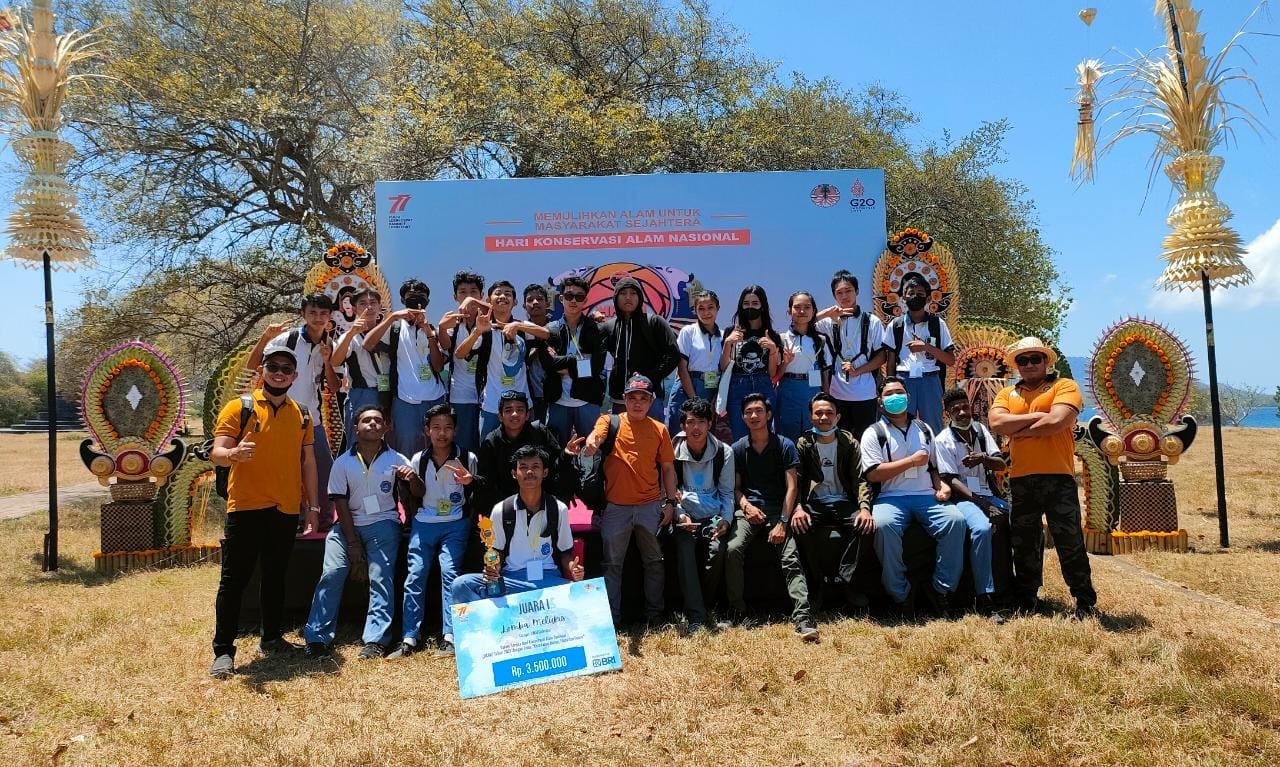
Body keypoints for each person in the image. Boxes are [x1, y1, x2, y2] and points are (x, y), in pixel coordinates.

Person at [208, 346, 319, 679]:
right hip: (245, 506)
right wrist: (234, 454)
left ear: (295, 376)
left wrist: (312, 506)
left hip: (285, 508)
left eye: (287, 368)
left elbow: (308, 462)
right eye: (274, 366)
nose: (280, 373)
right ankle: (224, 651)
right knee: (234, 580)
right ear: (263, 370)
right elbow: (217, 451)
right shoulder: (239, 407)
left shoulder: (302, 413)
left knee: (275, 576)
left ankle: (271, 638)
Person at [989, 337, 1098, 618]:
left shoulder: (1065, 386)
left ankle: (1084, 601)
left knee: (1069, 541)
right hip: (1020, 479)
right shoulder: (1006, 393)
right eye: (1022, 360)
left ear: (1046, 361)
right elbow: (997, 423)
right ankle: (1027, 600)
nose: (1029, 365)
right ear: (1016, 366)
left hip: (1058, 478)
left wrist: (1019, 428)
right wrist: (1041, 419)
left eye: (1035, 358)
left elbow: (1058, 422)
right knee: (1024, 542)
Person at [301, 405, 409, 660]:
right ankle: (317, 637)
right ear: (355, 427)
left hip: (384, 524)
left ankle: (375, 640)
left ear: (387, 427)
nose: (372, 424)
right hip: (346, 526)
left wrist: (412, 478)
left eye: (378, 421)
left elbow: (415, 492)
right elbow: (340, 503)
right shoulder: (343, 462)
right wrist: (352, 545)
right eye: (366, 420)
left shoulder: (397, 459)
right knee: (333, 572)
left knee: (381, 577)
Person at [575, 374, 678, 626]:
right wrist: (591, 445)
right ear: (624, 399)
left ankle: (654, 615)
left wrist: (670, 503)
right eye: (633, 398)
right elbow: (595, 437)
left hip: (650, 506)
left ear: (652, 401)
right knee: (612, 566)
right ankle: (613, 620)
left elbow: (667, 469)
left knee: (654, 562)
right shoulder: (609, 421)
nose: (638, 403)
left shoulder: (660, 429)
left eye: (644, 398)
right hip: (615, 508)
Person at [860, 378, 966, 617]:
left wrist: (943, 487)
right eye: (889, 394)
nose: (895, 397)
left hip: (926, 495)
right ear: (880, 401)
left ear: (908, 397)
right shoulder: (874, 433)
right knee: (884, 526)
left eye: (899, 392)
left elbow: (933, 467)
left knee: (956, 522)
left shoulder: (924, 428)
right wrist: (910, 461)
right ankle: (900, 594)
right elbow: (873, 473)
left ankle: (941, 590)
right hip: (891, 497)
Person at [387, 403, 480, 659]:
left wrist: (468, 484)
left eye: (448, 428)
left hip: (455, 524)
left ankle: (450, 635)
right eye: (436, 428)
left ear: (456, 430)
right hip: (424, 524)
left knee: (450, 573)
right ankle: (409, 636)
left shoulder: (468, 458)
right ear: (426, 430)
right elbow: (417, 494)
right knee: (415, 574)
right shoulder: (419, 459)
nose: (442, 434)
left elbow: (474, 495)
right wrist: (411, 479)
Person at [722, 393, 817, 641]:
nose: (754, 416)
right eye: (749, 411)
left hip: (778, 510)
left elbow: (792, 487)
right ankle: (737, 610)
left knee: (790, 557)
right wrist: (745, 506)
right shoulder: (738, 448)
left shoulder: (784, 445)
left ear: (769, 414)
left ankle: (803, 617)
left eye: (759, 411)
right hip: (749, 511)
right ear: (742, 416)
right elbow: (735, 488)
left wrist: (783, 523)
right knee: (732, 550)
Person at [246, 293, 339, 523]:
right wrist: (265, 337)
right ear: (303, 314)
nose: (318, 318)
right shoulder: (287, 340)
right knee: (286, 469)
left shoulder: (330, 344)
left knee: (323, 468)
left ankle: (324, 518)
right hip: (280, 415)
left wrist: (327, 360)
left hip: (312, 418)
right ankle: (292, 518)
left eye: (323, 313)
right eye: (312, 313)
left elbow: (334, 386)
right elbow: (252, 365)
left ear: (330, 316)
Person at [452, 445, 585, 604]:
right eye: (523, 467)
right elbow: (497, 551)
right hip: (513, 580)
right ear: (514, 474)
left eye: (535, 466)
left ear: (545, 472)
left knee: (586, 592)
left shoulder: (558, 508)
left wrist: (573, 568)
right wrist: (493, 569)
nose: (529, 472)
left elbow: (566, 553)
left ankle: (512, 609)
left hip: (547, 579)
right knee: (461, 585)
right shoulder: (502, 509)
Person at [793, 393, 875, 614]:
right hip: (815, 502)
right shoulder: (804, 443)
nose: (824, 417)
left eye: (829, 413)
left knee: (866, 527)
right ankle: (818, 583)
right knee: (799, 527)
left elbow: (860, 479)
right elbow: (797, 481)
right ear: (811, 417)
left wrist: (865, 508)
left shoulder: (849, 442)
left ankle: (844, 580)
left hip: (844, 502)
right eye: (818, 413)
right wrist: (798, 507)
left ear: (838, 417)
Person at [934, 387, 1007, 617]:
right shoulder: (942, 440)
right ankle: (985, 597)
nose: (962, 412)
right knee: (982, 528)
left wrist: (983, 458)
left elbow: (1000, 464)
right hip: (963, 498)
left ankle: (1013, 590)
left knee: (1011, 520)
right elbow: (950, 479)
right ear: (948, 414)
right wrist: (985, 506)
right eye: (956, 410)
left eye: (965, 407)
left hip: (987, 493)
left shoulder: (981, 430)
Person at [670, 397, 735, 633]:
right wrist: (680, 515)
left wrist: (726, 520)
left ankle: (706, 605)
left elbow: (727, 493)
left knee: (717, 552)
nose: (695, 428)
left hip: (713, 516)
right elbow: (671, 492)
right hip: (685, 517)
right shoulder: (672, 452)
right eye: (690, 422)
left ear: (710, 424)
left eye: (701, 422)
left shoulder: (724, 453)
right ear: (683, 425)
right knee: (685, 551)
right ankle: (696, 616)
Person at [454, 280, 551, 438]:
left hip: (523, 405)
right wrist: (477, 332)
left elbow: (546, 333)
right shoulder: (484, 329)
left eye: (508, 294)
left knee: (526, 453)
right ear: (488, 301)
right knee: (489, 453)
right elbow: (460, 354)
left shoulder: (522, 326)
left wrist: (517, 326)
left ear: (515, 302)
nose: (503, 297)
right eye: (497, 293)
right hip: (492, 405)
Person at [362, 279, 447, 457]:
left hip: (435, 397)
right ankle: (405, 485)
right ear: (402, 300)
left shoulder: (433, 329)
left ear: (428, 302)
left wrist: (429, 335)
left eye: (421, 297)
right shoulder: (394, 328)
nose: (416, 301)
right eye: (410, 297)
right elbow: (368, 344)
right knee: (405, 448)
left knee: (438, 448)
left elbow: (439, 366)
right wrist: (392, 317)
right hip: (405, 400)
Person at [816, 270, 886, 437]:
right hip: (837, 394)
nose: (844, 296)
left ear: (857, 291)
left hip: (865, 393)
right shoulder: (828, 322)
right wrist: (827, 313)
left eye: (848, 290)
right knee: (841, 441)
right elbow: (801, 323)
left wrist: (858, 370)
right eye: (839, 292)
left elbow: (882, 356)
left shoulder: (871, 321)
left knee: (866, 440)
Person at [881, 274, 955, 433]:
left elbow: (950, 360)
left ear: (928, 299)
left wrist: (926, 347)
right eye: (911, 293)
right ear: (903, 298)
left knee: (934, 426)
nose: (915, 297)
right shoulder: (896, 325)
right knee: (900, 425)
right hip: (904, 380)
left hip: (930, 380)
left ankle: (934, 457)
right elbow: (891, 359)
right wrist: (890, 384)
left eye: (920, 294)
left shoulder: (937, 324)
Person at [474, 390, 565, 517]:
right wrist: (471, 480)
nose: (515, 414)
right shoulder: (491, 441)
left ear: (527, 415)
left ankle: (555, 518)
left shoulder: (539, 432)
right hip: (505, 499)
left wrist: (566, 454)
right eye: (508, 410)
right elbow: (486, 479)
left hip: (539, 492)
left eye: (520, 410)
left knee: (567, 471)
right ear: (500, 416)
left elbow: (556, 465)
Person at [540, 275, 606, 445]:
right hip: (558, 401)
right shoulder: (551, 329)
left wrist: (564, 366)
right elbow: (548, 364)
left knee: (592, 452)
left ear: (585, 300)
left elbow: (596, 367)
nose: (573, 301)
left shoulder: (596, 329)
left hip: (587, 400)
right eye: (569, 296)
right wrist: (579, 363)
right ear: (561, 298)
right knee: (557, 452)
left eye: (579, 297)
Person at [600, 276, 678, 419]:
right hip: (620, 400)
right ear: (616, 298)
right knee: (624, 440)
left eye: (633, 293)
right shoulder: (608, 327)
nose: (628, 297)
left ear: (640, 297)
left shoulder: (654, 322)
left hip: (649, 397)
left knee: (653, 440)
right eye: (623, 293)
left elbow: (673, 355)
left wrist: (648, 378)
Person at [720, 285, 783, 441]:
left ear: (762, 306)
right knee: (740, 436)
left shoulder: (772, 335)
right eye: (746, 303)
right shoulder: (731, 331)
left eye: (755, 303)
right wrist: (728, 343)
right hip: (737, 385)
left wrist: (773, 350)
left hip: (763, 384)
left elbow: (772, 373)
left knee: (764, 436)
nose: (750, 307)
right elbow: (723, 367)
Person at [435, 270, 487, 455]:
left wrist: (473, 302)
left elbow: (494, 309)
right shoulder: (452, 323)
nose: (468, 297)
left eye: (474, 292)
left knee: (487, 448)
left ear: (482, 295)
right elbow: (446, 348)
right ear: (455, 296)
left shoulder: (490, 320)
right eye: (463, 292)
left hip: (490, 397)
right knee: (465, 449)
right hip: (461, 397)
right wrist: (441, 328)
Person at [330, 287, 389, 447]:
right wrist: (350, 334)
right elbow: (335, 361)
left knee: (389, 442)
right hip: (363, 394)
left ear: (380, 306)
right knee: (360, 443)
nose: (369, 308)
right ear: (354, 308)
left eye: (373, 303)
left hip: (389, 394)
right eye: (363, 303)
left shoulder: (390, 331)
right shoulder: (349, 336)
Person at [776, 290, 833, 441]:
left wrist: (826, 398)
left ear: (814, 311)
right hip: (787, 391)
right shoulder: (781, 339)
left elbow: (825, 373)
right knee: (787, 438)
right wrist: (785, 362)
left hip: (813, 392)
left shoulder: (821, 340)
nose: (802, 311)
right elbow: (775, 375)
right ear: (789, 311)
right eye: (797, 307)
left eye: (807, 307)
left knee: (813, 437)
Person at [667, 290, 723, 435]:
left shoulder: (723, 336)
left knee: (702, 435)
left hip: (710, 388)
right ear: (695, 311)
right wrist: (694, 400)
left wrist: (713, 399)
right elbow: (682, 368)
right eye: (701, 309)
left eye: (710, 307)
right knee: (677, 434)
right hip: (686, 387)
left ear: (718, 308)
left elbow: (723, 369)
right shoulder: (688, 331)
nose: (706, 313)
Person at [523, 283, 553, 423]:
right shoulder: (519, 331)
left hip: (558, 397)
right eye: (530, 300)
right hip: (530, 398)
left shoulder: (558, 328)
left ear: (548, 302)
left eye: (540, 299)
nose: (535, 302)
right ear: (523, 306)